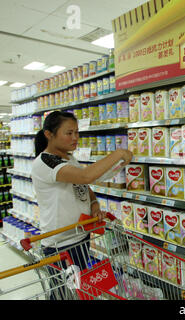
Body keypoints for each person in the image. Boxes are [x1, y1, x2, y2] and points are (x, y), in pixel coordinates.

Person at [31, 110, 133, 299]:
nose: (75, 138)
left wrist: (94, 205)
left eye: (77, 132)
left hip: (79, 236)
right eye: (69, 133)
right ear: (49, 135)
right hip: (60, 243)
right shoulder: (46, 162)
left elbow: (83, 186)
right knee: (63, 294)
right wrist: (118, 153)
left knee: (76, 291)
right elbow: (86, 176)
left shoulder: (68, 158)